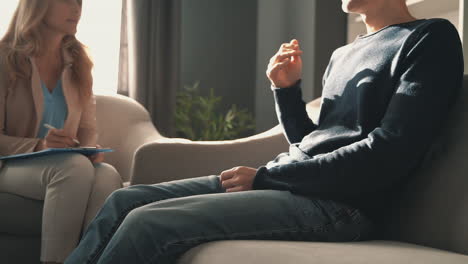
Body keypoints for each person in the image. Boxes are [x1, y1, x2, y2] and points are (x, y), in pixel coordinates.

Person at [65, 0, 464, 263]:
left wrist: (268, 176)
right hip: (292, 183)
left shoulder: (430, 38)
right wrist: (285, 90)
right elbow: (310, 142)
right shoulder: (344, 53)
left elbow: (388, 150)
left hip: (343, 205)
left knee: (147, 223)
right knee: (124, 201)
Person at [0, 0, 123, 263]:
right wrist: (41, 145)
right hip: (8, 165)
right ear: (38, 6)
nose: (77, 8)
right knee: (73, 169)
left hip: (63, 163)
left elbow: (88, 127)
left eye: (79, 2)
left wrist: (89, 150)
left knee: (107, 176)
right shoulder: (5, 59)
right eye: (67, 1)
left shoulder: (78, 63)